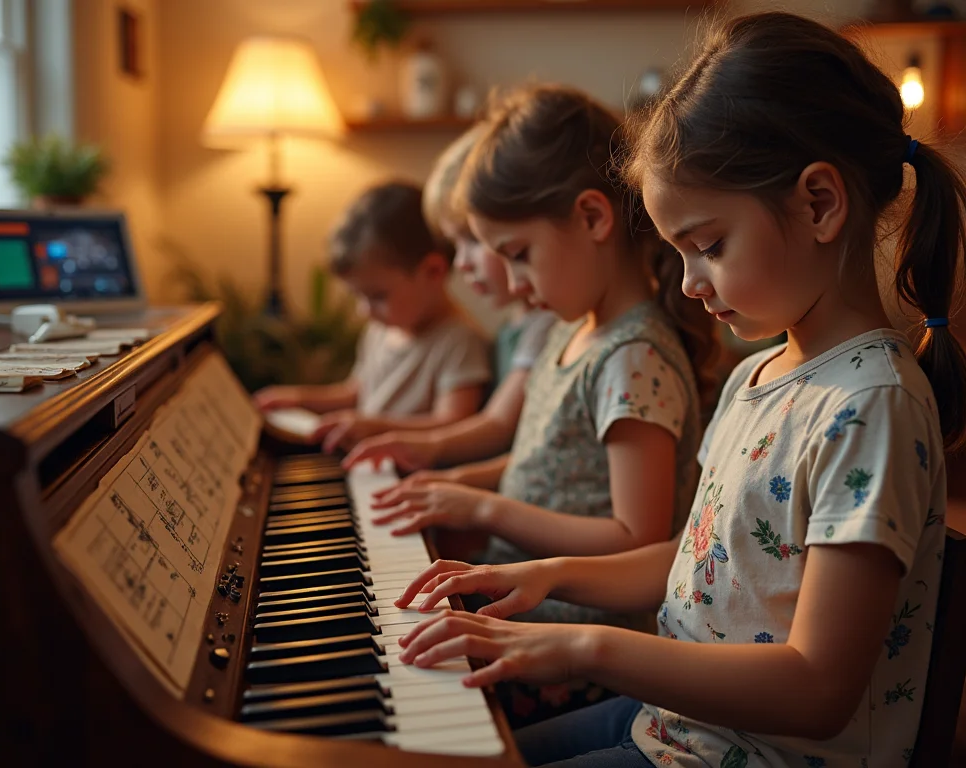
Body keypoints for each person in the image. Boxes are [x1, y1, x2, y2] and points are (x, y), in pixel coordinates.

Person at [390, 12, 966, 767]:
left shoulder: (872, 407)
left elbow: (818, 690)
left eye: (710, 246)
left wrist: (584, 646)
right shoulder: (757, 377)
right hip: (675, 725)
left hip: (748, 755)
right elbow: (695, 558)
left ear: (820, 204)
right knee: (435, 749)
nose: (689, 285)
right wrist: (542, 576)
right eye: (679, 253)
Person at [367, 85, 717, 631]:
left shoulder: (634, 359)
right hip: (528, 609)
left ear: (592, 219)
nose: (511, 283)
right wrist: (457, 483)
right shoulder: (572, 329)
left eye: (520, 256)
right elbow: (546, 467)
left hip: (578, 633)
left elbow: (637, 537)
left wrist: (486, 509)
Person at [341, 125, 556, 492]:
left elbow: (496, 426)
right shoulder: (515, 324)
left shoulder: (541, 327)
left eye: (474, 239)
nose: (460, 264)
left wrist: (436, 469)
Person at [253, 181, 491, 453]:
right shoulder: (383, 328)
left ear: (433, 272)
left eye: (377, 296)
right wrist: (298, 399)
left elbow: (454, 422)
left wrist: (376, 427)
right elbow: (356, 392)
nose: (364, 311)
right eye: (359, 297)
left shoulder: (459, 341)